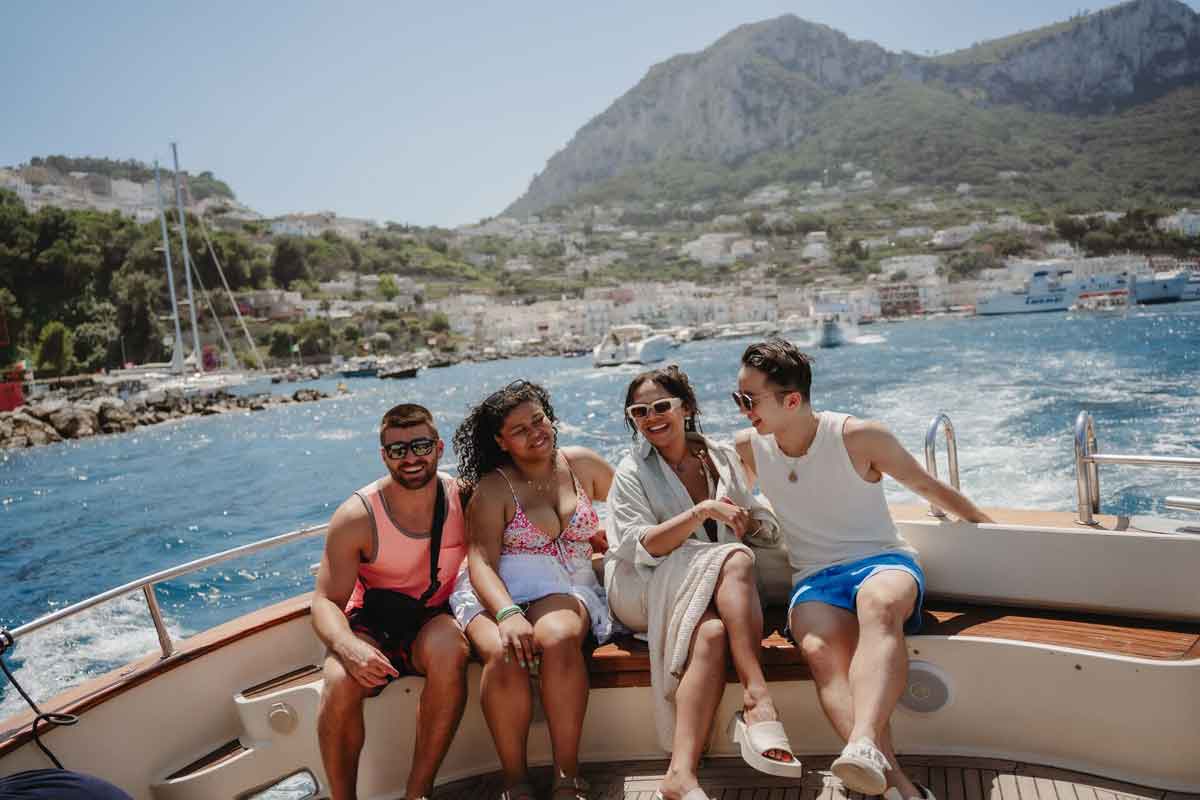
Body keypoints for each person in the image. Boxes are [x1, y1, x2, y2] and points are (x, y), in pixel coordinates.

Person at [733, 339, 994, 800]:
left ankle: (864, 744)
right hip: (814, 579)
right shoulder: (749, 448)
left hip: (882, 563)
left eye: (749, 400)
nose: (742, 410)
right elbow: (716, 483)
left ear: (791, 400)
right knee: (816, 648)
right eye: (739, 399)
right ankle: (896, 785)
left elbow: (927, 486)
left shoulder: (859, 437)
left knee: (878, 604)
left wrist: (990, 530)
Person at [605, 366, 803, 800]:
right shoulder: (631, 471)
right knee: (733, 559)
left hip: (711, 587)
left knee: (712, 632)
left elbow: (752, 518)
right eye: (640, 411)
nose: (652, 417)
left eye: (662, 406)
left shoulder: (718, 455)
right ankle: (757, 698)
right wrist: (701, 512)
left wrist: (748, 521)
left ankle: (679, 775)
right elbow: (643, 547)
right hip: (645, 585)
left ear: (686, 407)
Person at [449, 380, 613, 800]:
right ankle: (515, 782)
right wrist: (506, 613)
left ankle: (567, 776)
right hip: (499, 588)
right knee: (504, 652)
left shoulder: (581, 464)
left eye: (538, 419)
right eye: (519, 429)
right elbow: (481, 562)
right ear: (501, 441)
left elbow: (635, 509)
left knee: (558, 638)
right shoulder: (493, 487)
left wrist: (607, 534)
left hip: (564, 584)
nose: (535, 431)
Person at [312, 403, 471, 800]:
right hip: (373, 625)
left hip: (432, 618)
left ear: (438, 446)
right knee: (338, 680)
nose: (411, 458)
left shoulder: (463, 496)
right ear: (384, 456)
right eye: (398, 450)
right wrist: (348, 648)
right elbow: (324, 601)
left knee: (451, 650)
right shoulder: (356, 516)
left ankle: (418, 792)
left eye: (420, 446)